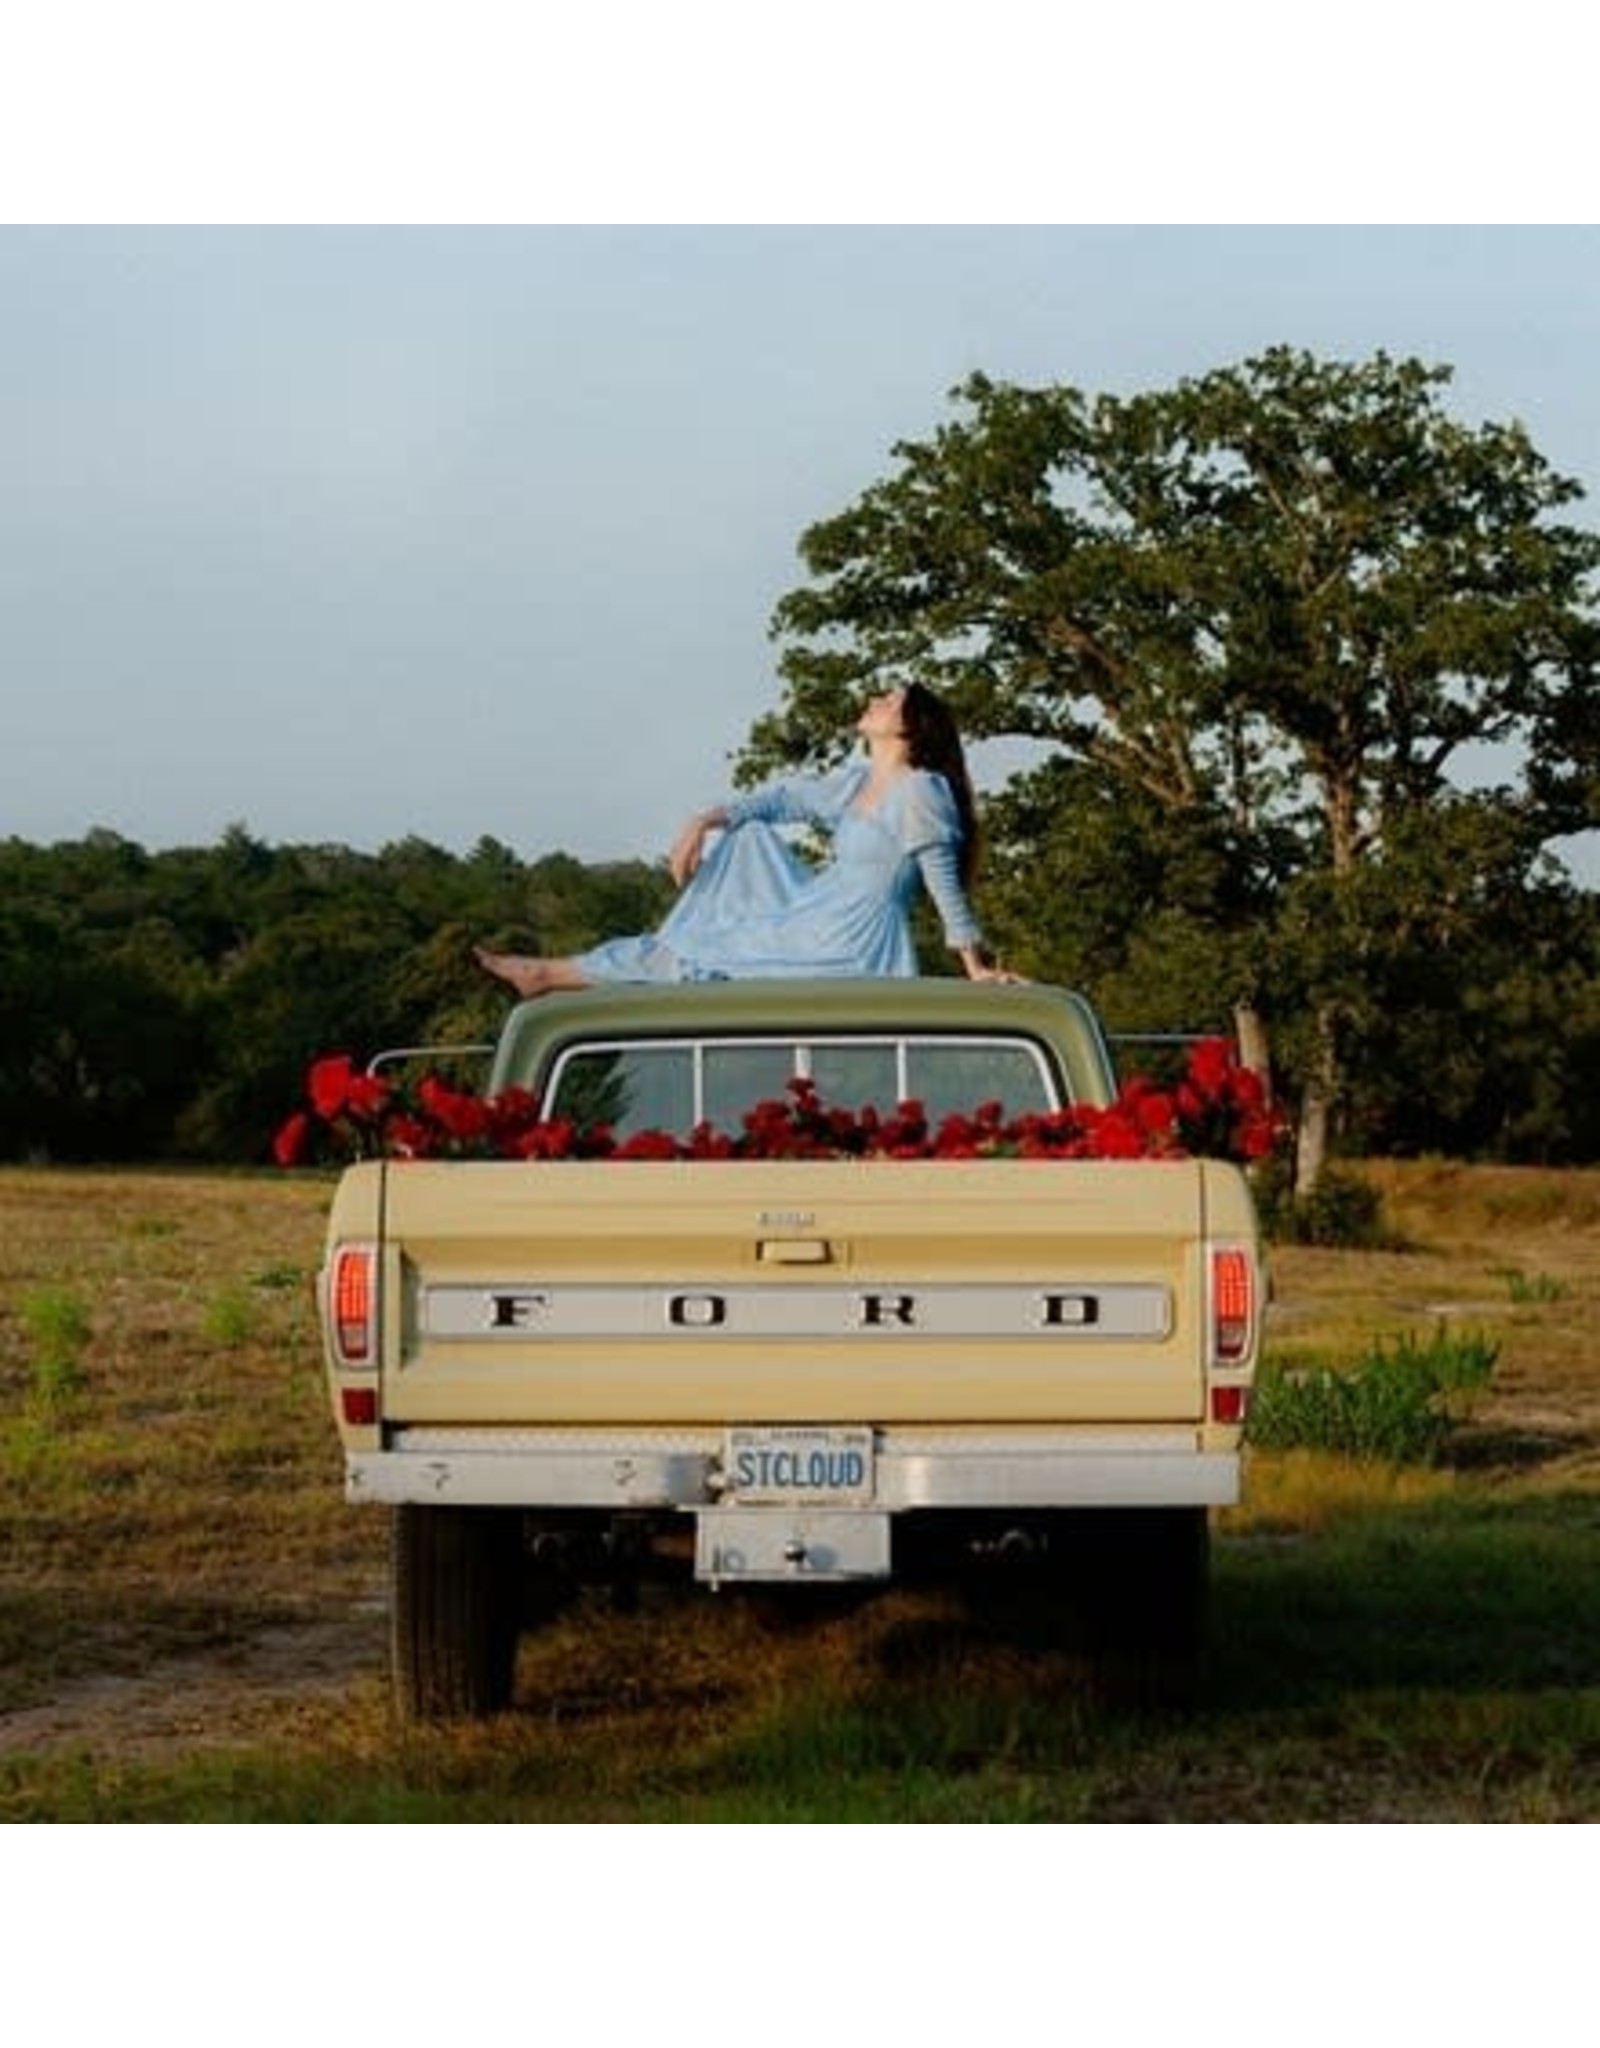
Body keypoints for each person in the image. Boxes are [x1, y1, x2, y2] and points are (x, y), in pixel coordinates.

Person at [474, 682, 1019, 996]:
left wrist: (975, 967)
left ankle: (545, 974)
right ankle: (547, 972)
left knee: (699, 957)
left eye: (889, 699)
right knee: (747, 837)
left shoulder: (919, 792)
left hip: (850, 941)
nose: (875, 699)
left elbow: (945, 887)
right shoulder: (854, 784)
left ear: (908, 727)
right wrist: (706, 818)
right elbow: (782, 799)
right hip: (814, 915)